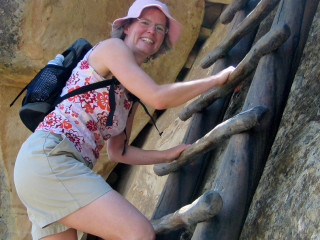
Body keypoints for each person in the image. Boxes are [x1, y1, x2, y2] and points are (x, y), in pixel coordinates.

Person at [13, 0, 235, 239]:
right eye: (145, 22)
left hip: (53, 168)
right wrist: (216, 79)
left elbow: (119, 152)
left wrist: (168, 154)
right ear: (127, 26)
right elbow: (158, 98)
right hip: (51, 157)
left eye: (160, 29)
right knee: (138, 232)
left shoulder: (128, 94)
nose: (152, 31)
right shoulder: (112, 48)